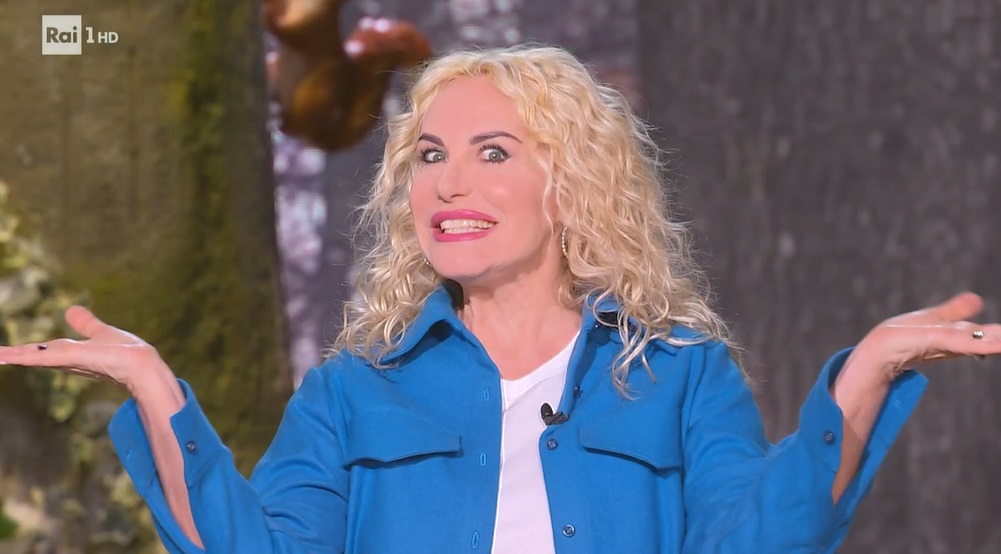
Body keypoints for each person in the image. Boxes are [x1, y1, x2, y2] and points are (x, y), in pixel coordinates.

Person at [1, 45, 998, 554]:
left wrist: (861, 379)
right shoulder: (352, 389)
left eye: (491, 153)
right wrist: (155, 388)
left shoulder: (682, 375)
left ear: (571, 183)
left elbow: (755, 541)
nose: (447, 183)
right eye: (429, 155)